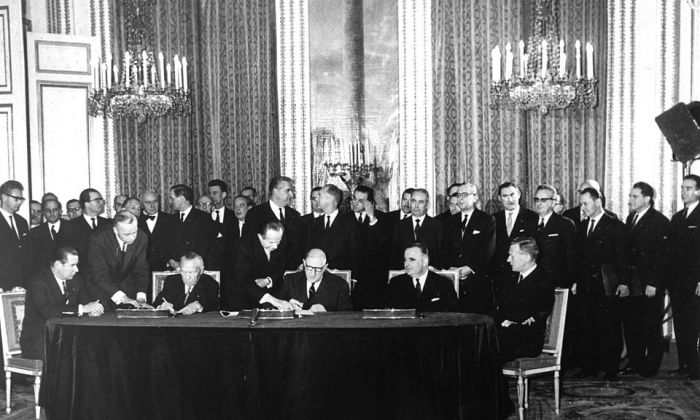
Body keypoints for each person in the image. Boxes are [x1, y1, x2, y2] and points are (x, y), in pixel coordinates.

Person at [574, 187, 628, 381]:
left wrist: (623, 283)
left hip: (607, 287)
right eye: (581, 204)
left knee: (609, 328)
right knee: (587, 328)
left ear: (598, 201)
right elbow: (578, 258)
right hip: (586, 287)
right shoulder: (582, 226)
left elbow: (623, 258)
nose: (583, 208)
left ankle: (610, 369)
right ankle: (589, 367)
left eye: (586, 203)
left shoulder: (615, 226)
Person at [621, 182, 670, 377]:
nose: (630, 200)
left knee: (650, 325)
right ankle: (636, 361)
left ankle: (651, 366)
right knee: (633, 323)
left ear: (647, 199)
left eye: (635, 197)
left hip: (650, 284)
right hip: (633, 282)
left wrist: (654, 283)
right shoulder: (631, 218)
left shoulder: (659, 221)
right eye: (630, 196)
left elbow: (663, 256)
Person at [21, 246, 103, 359]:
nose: (77, 270)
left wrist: (93, 310)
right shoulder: (38, 282)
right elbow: (48, 312)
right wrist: (82, 309)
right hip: (40, 340)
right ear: (58, 265)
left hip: (66, 337)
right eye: (72, 265)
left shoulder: (75, 279)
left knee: (96, 348)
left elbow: (85, 302)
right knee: (81, 354)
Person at [495, 237, 554, 363]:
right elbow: (499, 307)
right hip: (506, 333)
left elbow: (530, 313)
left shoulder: (544, 279)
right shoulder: (510, 278)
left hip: (526, 340)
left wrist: (510, 322)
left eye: (512, 256)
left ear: (526, 257)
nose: (508, 260)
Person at [444, 182, 496, 314]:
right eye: (458, 195)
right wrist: (451, 268)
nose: (460, 199)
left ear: (475, 197)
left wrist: (470, 268)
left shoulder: (487, 220)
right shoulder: (450, 221)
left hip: (477, 280)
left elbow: (488, 250)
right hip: (453, 280)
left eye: (464, 195)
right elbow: (445, 248)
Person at [667, 174, 700, 380]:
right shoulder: (678, 218)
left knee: (693, 325)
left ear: (698, 191)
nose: (683, 192)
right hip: (677, 282)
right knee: (680, 325)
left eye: (688, 188)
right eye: (682, 188)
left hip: (695, 282)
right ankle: (684, 365)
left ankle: (695, 368)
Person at [87, 211, 151, 311]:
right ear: (115, 230)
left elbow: (141, 268)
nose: (132, 237)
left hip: (126, 289)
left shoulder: (142, 237)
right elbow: (99, 274)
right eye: (127, 234)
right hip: (100, 291)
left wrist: (141, 297)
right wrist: (123, 298)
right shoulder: (98, 238)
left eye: (134, 232)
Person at [227, 221, 294, 311]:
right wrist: (272, 300)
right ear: (260, 236)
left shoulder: (279, 242)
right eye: (271, 242)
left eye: (278, 242)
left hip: (266, 299)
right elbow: (243, 280)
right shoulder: (242, 246)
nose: (275, 246)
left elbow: (280, 269)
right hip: (242, 301)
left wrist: (268, 280)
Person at [243, 176, 303, 269]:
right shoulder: (255, 214)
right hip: (265, 271)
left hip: (291, 272)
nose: (291, 195)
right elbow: (250, 245)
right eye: (288, 190)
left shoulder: (295, 215)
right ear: (275, 191)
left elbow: (299, 245)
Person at [490, 182, 538, 296]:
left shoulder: (532, 217)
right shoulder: (493, 219)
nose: (510, 199)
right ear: (499, 198)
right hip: (499, 276)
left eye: (512, 194)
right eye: (505, 196)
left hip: (522, 274)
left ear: (519, 194)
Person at [385, 243, 458, 312]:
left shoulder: (444, 283)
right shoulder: (396, 283)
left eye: (412, 260)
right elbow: (388, 314)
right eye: (405, 260)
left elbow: (453, 315)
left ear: (424, 261)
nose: (406, 264)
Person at [531, 185, 576, 288]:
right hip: (534, 282)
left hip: (557, 282)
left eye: (543, 200)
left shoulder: (565, 224)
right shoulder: (529, 224)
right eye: (536, 199)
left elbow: (572, 255)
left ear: (553, 202)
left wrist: (573, 280)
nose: (539, 203)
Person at [279, 249, 352, 312]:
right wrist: (287, 305)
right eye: (309, 267)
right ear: (304, 263)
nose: (313, 273)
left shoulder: (340, 285)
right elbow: (277, 305)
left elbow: (346, 317)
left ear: (325, 267)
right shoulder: (289, 280)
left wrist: (326, 314)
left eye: (318, 269)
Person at [306, 184, 359, 271]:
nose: (316, 199)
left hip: (341, 274)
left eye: (320, 196)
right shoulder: (314, 223)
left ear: (330, 199)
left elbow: (355, 254)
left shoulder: (349, 222)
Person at [391, 188, 446, 269]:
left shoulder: (438, 226)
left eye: (421, 202)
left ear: (427, 204)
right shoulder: (399, 226)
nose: (416, 206)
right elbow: (394, 256)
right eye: (413, 201)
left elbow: (441, 257)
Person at [59, 188, 110, 272]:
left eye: (101, 200)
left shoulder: (108, 224)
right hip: (81, 274)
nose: (101, 203)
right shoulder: (70, 226)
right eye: (97, 200)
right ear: (86, 204)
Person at [167, 184, 216, 269]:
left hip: (194, 268)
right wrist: (170, 261)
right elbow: (166, 244)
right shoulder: (170, 219)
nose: (170, 201)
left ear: (182, 198)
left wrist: (185, 263)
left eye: (172, 198)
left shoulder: (204, 218)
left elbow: (204, 246)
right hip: (174, 269)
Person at [153, 252, 219, 314]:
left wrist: (199, 306)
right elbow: (156, 304)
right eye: (183, 272)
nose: (187, 277)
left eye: (192, 272)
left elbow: (214, 307)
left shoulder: (210, 283)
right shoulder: (171, 281)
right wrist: (161, 306)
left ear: (201, 270)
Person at [0, 180, 33, 290]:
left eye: (21, 199)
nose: (20, 202)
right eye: (16, 199)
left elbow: (27, 253)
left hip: (22, 283)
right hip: (3, 283)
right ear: (4, 197)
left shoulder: (22, 222)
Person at [138, 190, 174, 272]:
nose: (152, 206)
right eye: (148, 202)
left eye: (155, 201)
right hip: (142, 270)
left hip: (165, 269)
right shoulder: (135, 221)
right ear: (141, 204)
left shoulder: (171, 220)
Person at [30, 198, 64, 273]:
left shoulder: (72, 228)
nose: (52, 213)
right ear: (43, 212)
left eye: (55, 210)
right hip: (45, 275)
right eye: (48, 210)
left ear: (60, 211)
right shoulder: (34, 233)